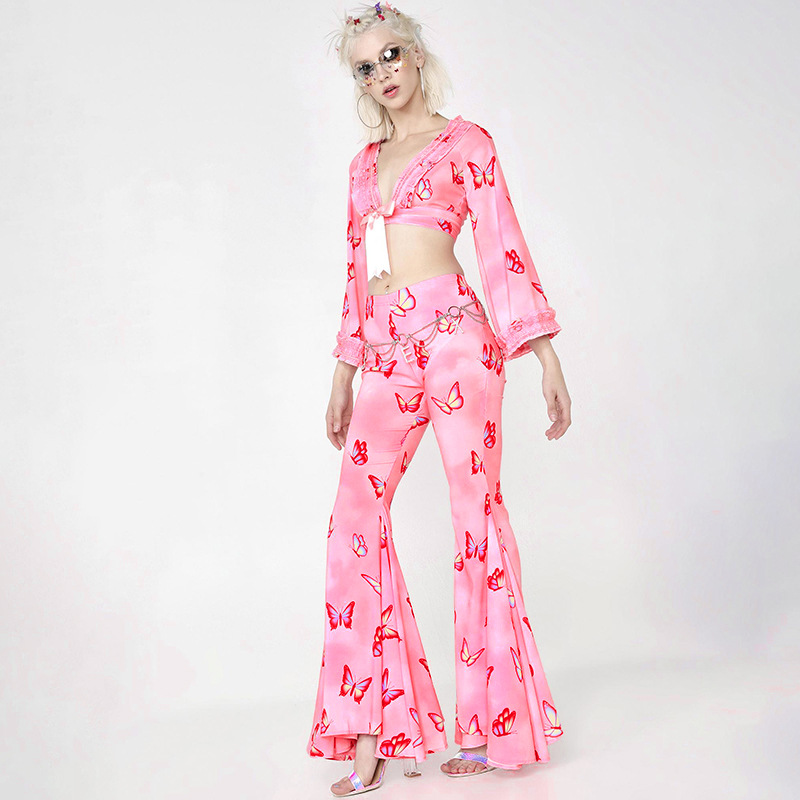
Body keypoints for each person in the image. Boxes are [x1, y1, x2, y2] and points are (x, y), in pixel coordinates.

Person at [307, 3, 571, 796]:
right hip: (385, 352)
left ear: (417, 55)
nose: (382, 73)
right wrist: (344, 371)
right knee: (354, 517)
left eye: (392, 55)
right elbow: (359, 275)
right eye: (366, 66)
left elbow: (501, 245)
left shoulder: (466, 144)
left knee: (474, 518)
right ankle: (372, 731)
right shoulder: (362, 167)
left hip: (458, 340)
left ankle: (493, 729)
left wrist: (544, 356)